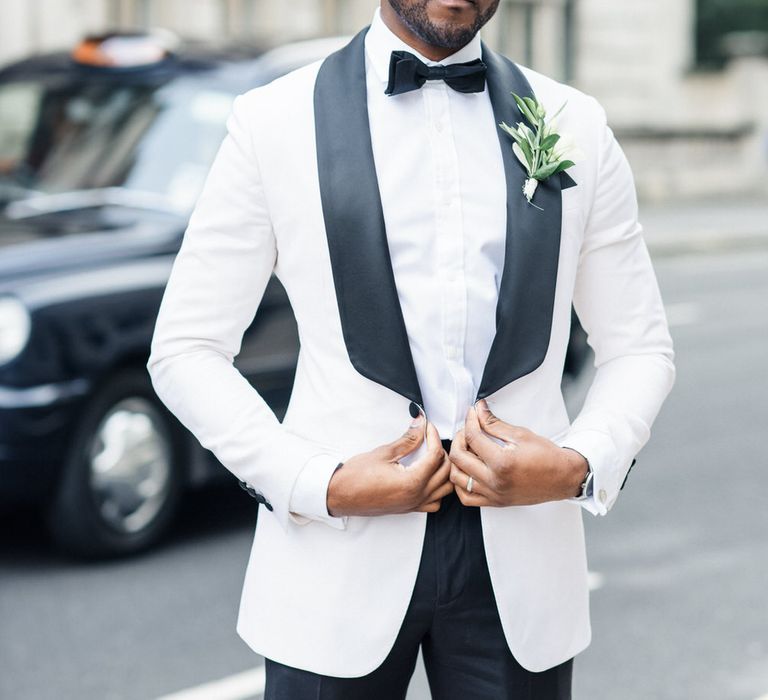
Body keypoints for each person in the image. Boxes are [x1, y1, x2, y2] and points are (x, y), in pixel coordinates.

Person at [146, 1, 675, 697]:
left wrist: (580, 466)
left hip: (522, 569)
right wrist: (317, 483)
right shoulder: (273, 121)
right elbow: (185, 347)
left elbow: (639, 345)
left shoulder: (574, 123)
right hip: (334, 560)